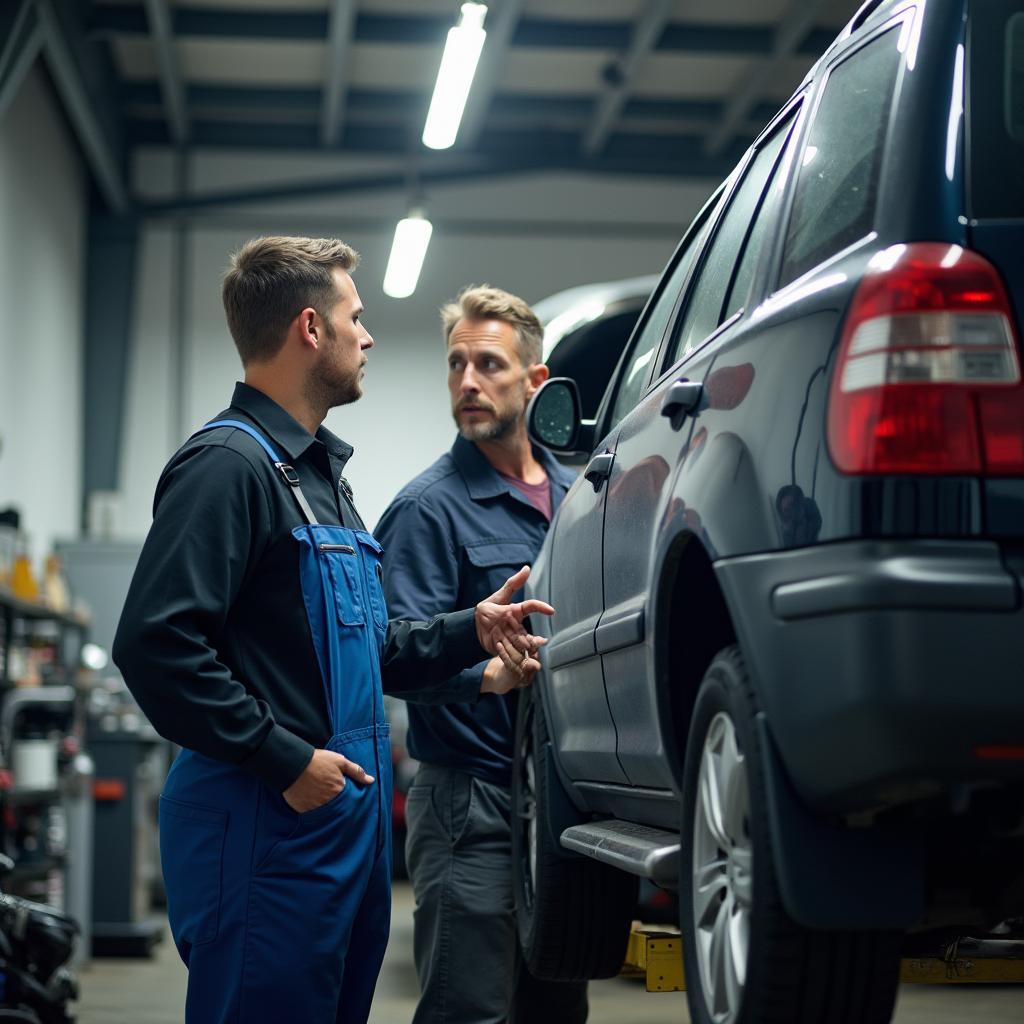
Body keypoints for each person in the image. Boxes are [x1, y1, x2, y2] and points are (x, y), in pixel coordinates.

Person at [112, 239, 551, 1024]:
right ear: (311, 329)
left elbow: (366, 649)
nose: (369, 336)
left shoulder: (316, 480)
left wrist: (469, 629)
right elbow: (156, 644)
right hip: (263, 831)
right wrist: (280, 759)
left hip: (335, 837)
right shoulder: (226, 468)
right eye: (356, 317)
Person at [375, 285, 588, 1024]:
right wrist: (484, 677)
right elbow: (390, 657)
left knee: (556, 1010)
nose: (468, 381)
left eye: (489, 364)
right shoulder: (427, 508)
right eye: (456, 363)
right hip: (473, 803)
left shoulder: (578, 499)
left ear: (535, 380)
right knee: (470, 1011)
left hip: (562, 803)